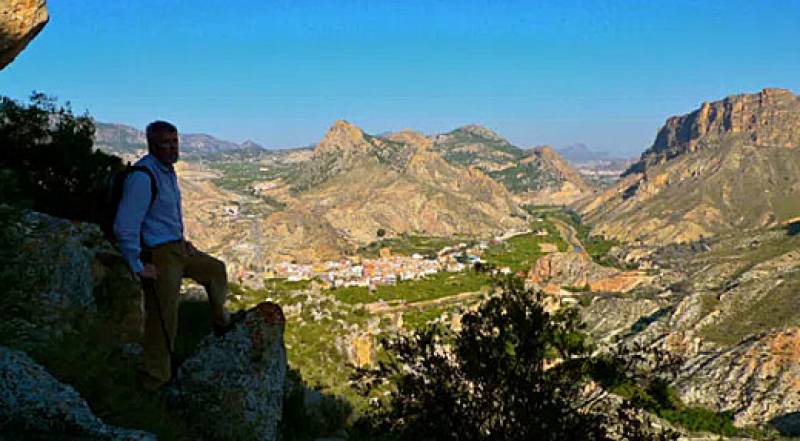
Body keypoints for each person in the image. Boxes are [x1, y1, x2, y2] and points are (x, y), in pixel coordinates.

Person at [114, 120, 235, 390]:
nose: (172, 147)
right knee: (164, 317)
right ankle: (155, 379)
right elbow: (125, 225)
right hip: (159, 254)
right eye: (165, 143)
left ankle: (221, 322)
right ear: (151, 144)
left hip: (178, 246)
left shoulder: (167, 173)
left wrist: (183, 241)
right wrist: (137, 264)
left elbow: (164, 216)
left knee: (215, 270)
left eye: (175, 141)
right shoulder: (143, 177)